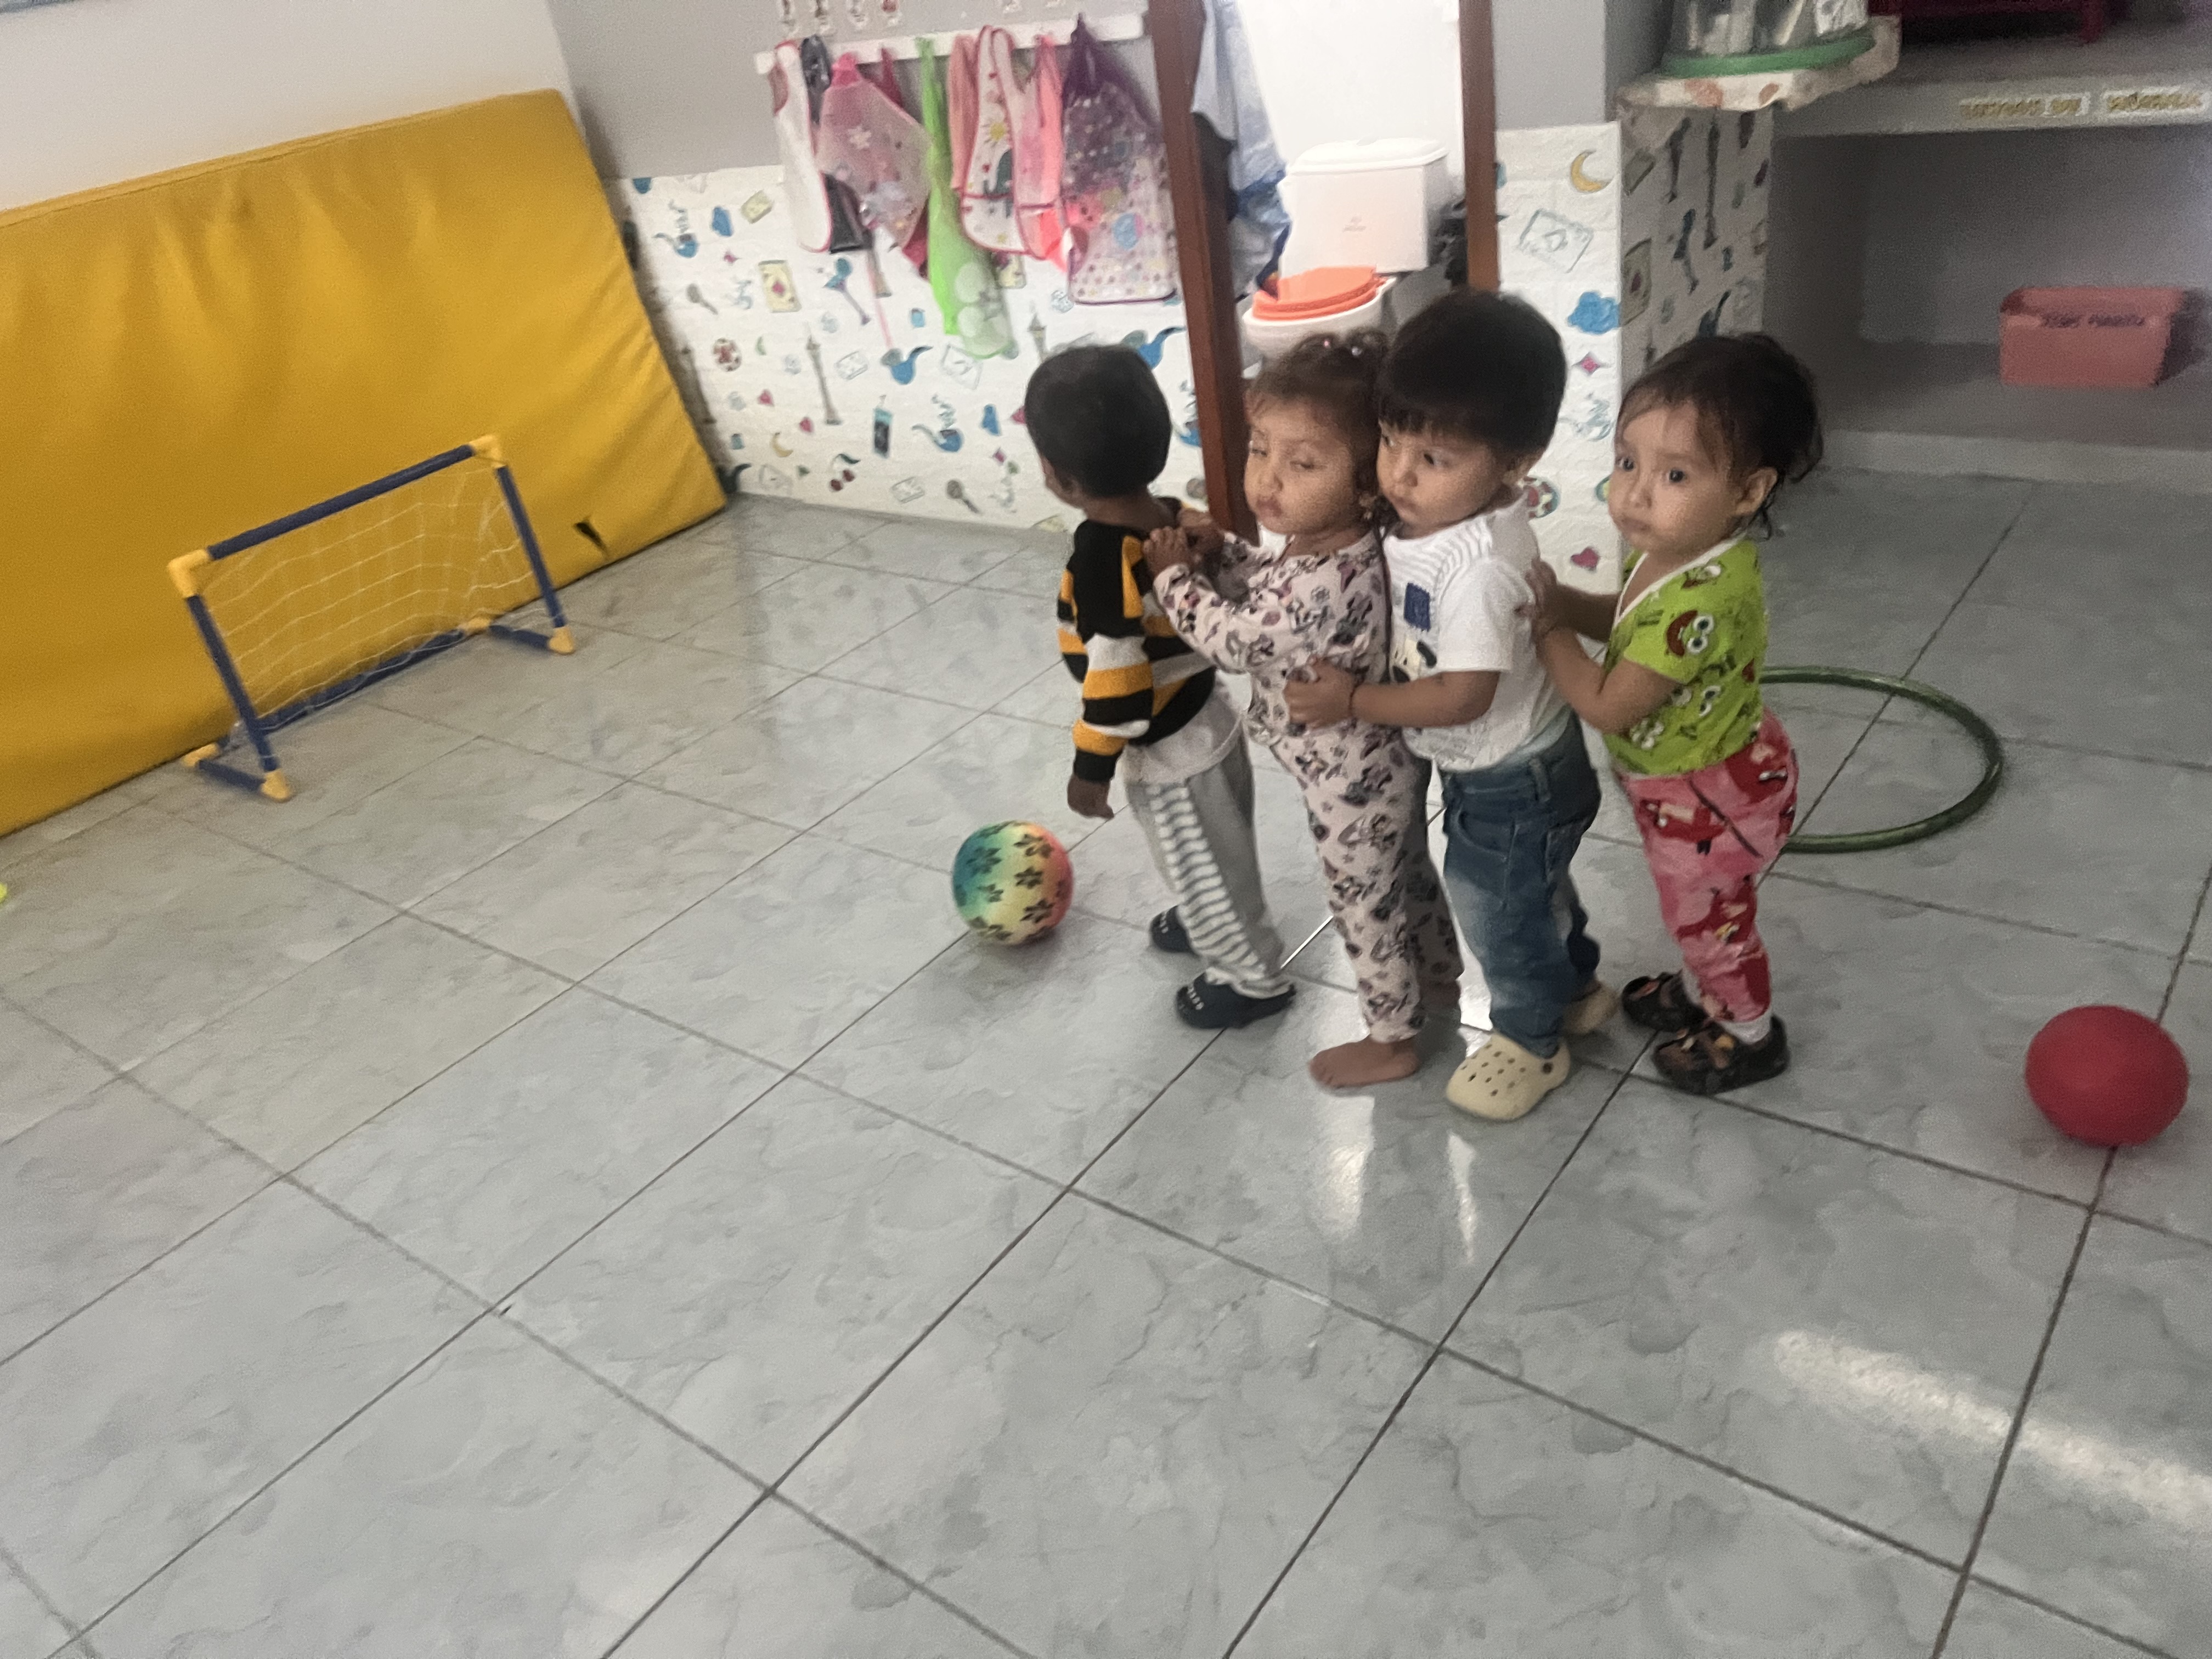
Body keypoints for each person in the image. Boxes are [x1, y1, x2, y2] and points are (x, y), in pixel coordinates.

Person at [1286, 289, 1610, 1123]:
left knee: (1499, 914)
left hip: (1512, 778)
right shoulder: (1442, 518)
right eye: (1392, 440)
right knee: (1533, 895)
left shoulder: (1478, 567)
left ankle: (1533, 1043)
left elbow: (1464, 696)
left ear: (1516, 461)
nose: (1398, 474)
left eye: (1433, 458)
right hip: (1513, 766)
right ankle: (1576, 989)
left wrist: (1353, 699)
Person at [1144, 332, 1462, 1087]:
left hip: (1348, 783)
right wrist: (1224, 551)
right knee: (1406, 874)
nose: (1268, 478)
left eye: (1303, 463)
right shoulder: (1337, 546)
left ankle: (1393, 1038)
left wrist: (1175, 580)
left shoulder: (1322, 577)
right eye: (1261, 450)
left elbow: (1233, 639)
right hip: (1383, 765)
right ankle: (1438, 974)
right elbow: (1271, 584)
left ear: (1366, 485)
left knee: (1362, 906)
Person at [1522, 333, 1822, 1093]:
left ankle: (1748, 1034)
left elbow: (1606, 703)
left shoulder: (1699, 601)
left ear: (1748, 493)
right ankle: (1699, 993)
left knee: (1712, 925)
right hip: (1704, 778)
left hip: (1708, 803)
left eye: (1675, 474)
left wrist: (1549, 631)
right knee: (1702, 914)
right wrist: (1571, 604)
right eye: (1628, 462)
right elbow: (1629, 622)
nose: (1635, 494)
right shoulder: (1677, 551)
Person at [1025, 344, 1295, 1030]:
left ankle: (1252, 980)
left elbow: (1116, 683)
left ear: (1057, 475)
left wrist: (1091, 770)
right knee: (1214, 845)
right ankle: (1205, 910)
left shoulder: (1101, 561)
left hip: (1171, 747)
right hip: (1206, 714)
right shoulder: (1177, 517)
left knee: (1205, 856)